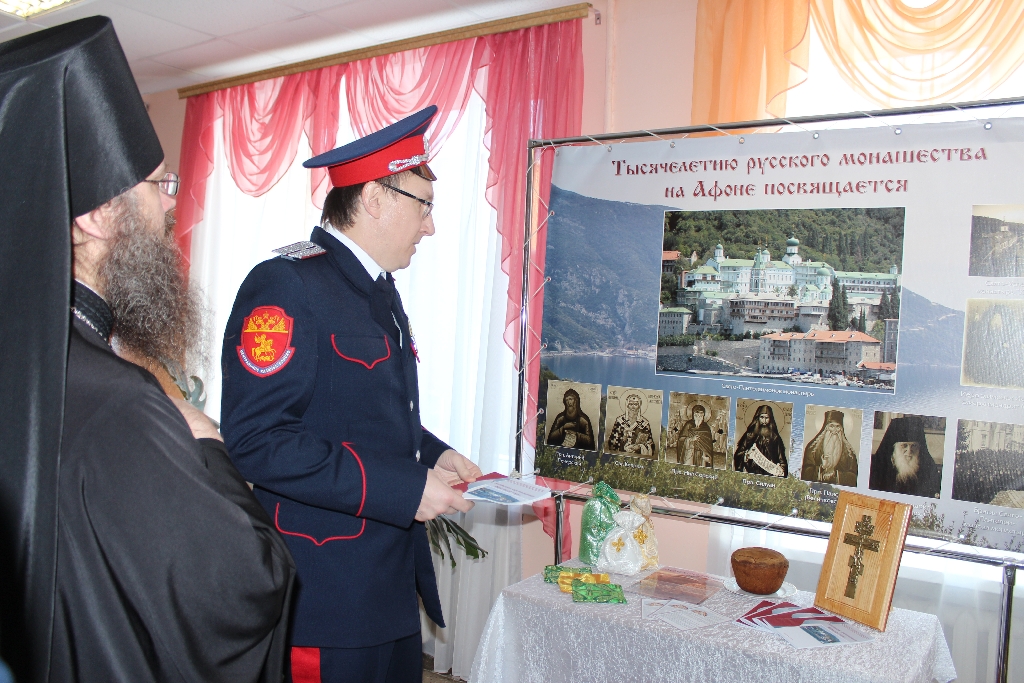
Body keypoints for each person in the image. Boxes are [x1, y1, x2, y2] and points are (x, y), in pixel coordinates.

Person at [0, 17, 295, 683]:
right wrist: (207, 444)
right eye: (159, 186)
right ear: (97, 215)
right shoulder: (120, 406)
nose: (169, 209)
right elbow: (244, 585)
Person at [220, 105, 483, 683]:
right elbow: (257, 441)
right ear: (373, 199)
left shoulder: (377, 289)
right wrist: (403, 488)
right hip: (327, 595)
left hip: (387, 590)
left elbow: (362, 411)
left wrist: (431, 454)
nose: (431, 227)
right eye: (424, 206)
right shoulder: (287, 284)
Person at [869, 416, 941, 498]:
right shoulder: (877, 467)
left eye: (914, 446)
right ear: (894, 448)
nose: (909, 451)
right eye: (904, 445)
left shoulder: (928, 468)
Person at [801, 410, 859, 486]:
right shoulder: (812, 449)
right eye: (832, 426)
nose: (834, 431)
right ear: (826, 428)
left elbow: (853, 476)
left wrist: (835, 474)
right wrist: (822, 468)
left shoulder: (849, 453)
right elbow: (806, 471)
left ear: (841, 429)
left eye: (837, 427)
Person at [734, 404, 788, 477]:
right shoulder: (749, 435)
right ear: (758, 418)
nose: (764, 421)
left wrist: (781, 469)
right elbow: (738, 454)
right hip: (750, 473)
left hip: (769, 475)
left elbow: (782, 461)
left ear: (770, 419)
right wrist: (746, 455)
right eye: (762, 417)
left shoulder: (775, 438)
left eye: (767, 418)